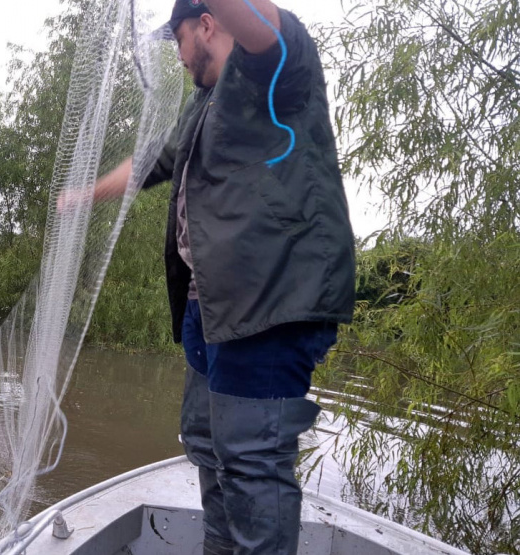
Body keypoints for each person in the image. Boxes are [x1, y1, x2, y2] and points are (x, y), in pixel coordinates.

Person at [89, 0, 356, 553]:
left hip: (268, 303)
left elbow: (260, 26)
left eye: (180, 39)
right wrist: (85, 194)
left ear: (208, 24)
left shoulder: (274, 66)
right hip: (208, 305)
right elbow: (152, 163)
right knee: (207, 443)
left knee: (251, 461)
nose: (179, 57)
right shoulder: (203, 104)